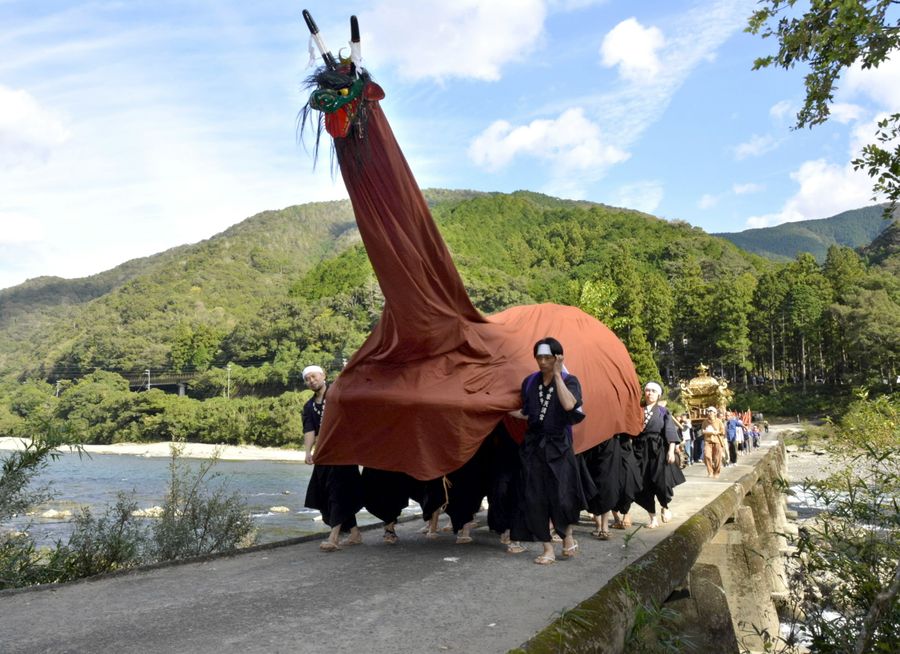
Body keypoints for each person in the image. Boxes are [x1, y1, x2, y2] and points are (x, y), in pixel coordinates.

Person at [507, 337, 588, 564]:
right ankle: (546, 548)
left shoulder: (570, 380)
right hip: (534, 447)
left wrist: (558, 374)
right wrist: (497, 410)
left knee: (562, 496)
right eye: (539, 357)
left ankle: (567, 535)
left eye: (548, 358)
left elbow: (569, 405)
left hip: (559, 447)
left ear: (557, 357)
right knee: (534, 497)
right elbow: (528, 413)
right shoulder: (529, 382)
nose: (542, 362)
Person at [302, 365, 364, 552]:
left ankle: (333, 537)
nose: (311, 381)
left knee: (337, 492)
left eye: (314, 376)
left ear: (323, 376)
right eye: (307, 379)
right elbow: (310, 430)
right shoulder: (309, 406)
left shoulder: (338, 397)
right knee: (328, 493)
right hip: (324, 454)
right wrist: (308, 452)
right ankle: (354, 533)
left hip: (344, 453)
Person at [627, 382, 686, 529]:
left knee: (661, 482)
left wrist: (671, 450)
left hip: (658, 450)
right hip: (640, 450)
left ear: (658, 394)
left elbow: (670, 431)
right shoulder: (637, 411)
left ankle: (665, 506)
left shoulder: (662, 411)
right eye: (647, 390)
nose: (650, 393)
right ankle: (652, 517)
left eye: (653, 391)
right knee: (642, 483)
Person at [701, 406, 726, 478]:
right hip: (708, 441)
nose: (709, 413)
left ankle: (717, 472)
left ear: (715, 413)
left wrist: (716, 432)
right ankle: (710, 472)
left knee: (717, 457)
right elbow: (702, 430)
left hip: (717, 441)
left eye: (711, 411)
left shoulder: (719, 421)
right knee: (707, 455)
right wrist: (706, 432)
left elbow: (723, 431)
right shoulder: (705, 422)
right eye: (708, 412)